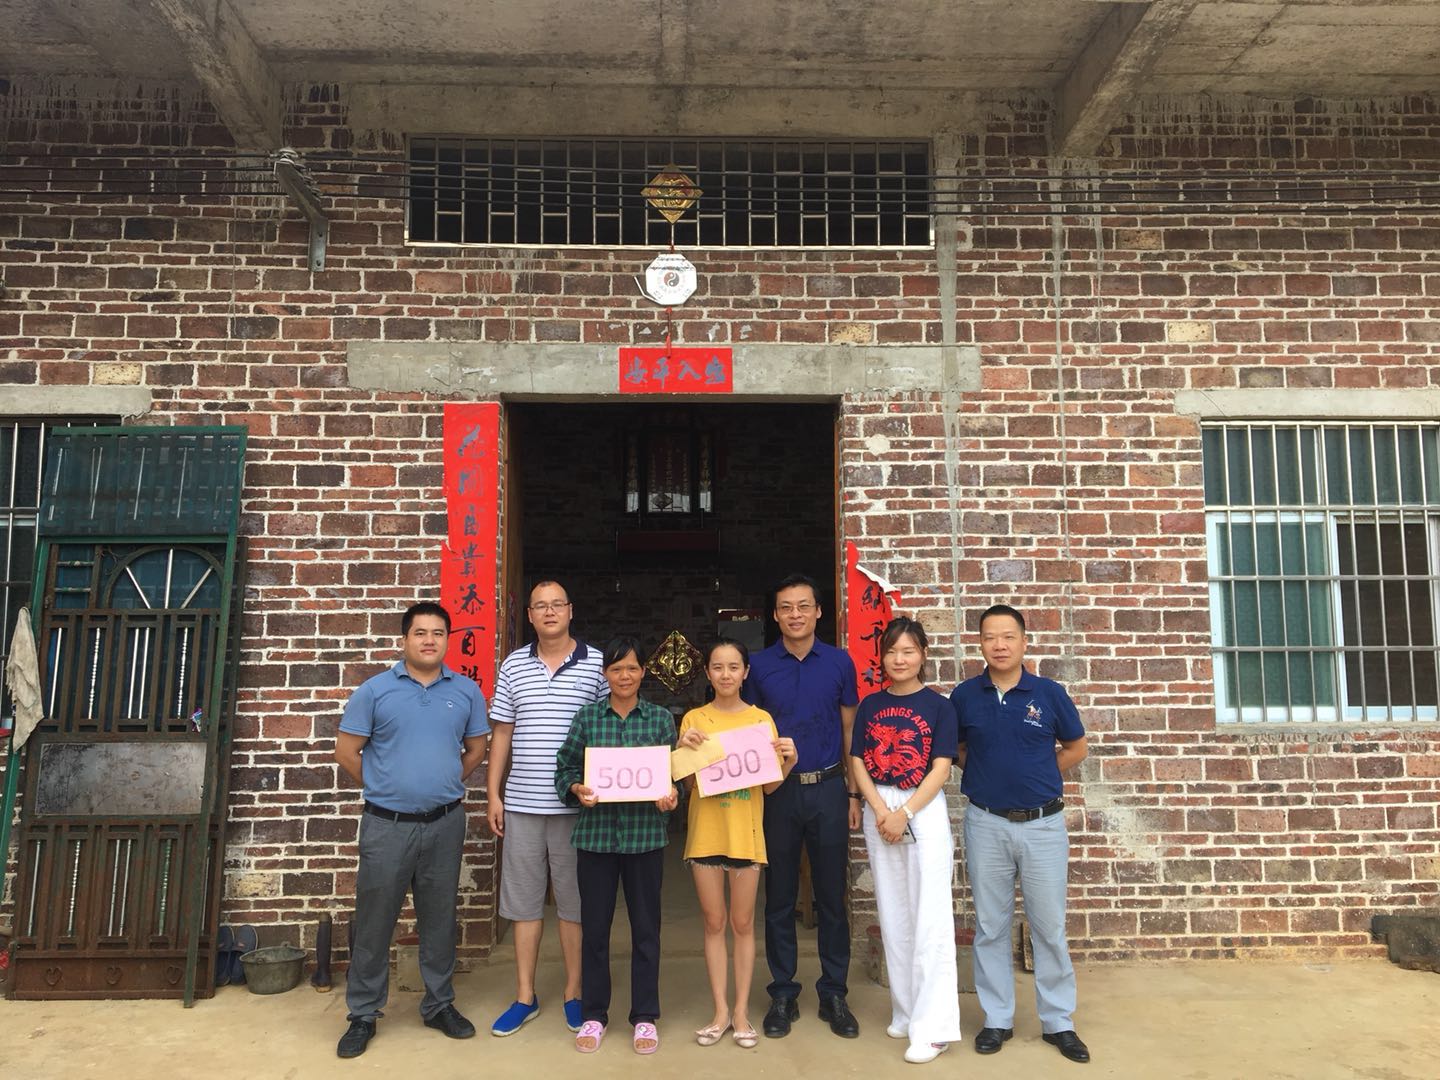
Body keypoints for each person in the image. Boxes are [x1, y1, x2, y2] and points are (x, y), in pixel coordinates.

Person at [333, 601, 490, 1059]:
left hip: (445, 823)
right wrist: (385, 788)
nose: (429, 640)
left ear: (447, 640)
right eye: (420, 632)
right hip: (388, 826)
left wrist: (443, 783)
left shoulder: (465, 692)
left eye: (438, 633)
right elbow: (346, 752)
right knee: (375, 920)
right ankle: (363, 1013)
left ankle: (439, 1004)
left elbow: (476, 749)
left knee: (440, 919)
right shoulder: (375, 691)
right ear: (404, 639)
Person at [950, 604, 1090, 1064]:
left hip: (1043, 825)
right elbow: (957, 749)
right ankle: (997, 1018)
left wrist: (1040, 774)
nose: (1000, 645)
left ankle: (1058, 1021)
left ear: (1024, 642)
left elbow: (1076, 747)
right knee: (990, 926)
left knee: (1048, 927)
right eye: (990, 637)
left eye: (1008, 636)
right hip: (986, 823)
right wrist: (986, 773)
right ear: (980, 643)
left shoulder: (1048, 693)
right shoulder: (965, 696)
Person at [741, 572, 862, 1039]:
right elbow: (746, 729)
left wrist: (853, 792)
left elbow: (849, 730)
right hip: (778, 793)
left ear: (818, 611)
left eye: (803, 606)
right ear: (775, 615)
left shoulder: (839, 662)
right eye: (786, 607)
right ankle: (783, 993)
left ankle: (834, 992)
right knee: (779, 896)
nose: (795, 614)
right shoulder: (758, 666)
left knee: (832, 896)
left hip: (829, 787)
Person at [486, 580, 606, 1036]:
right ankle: (525, 996)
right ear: (530, 616)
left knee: (575, 905)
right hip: (521, 804)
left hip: (577, 807)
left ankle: (575, 992)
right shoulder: (513, 665)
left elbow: (606, 731)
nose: (550, 612)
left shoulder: (596, 664)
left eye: (558, 604)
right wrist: (493, 794)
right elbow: (502, 733)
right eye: (541, 606)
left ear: (571, 611)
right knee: (524, 904)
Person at [553, 636, 677, 1055]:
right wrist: (576, 788)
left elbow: (673, 776)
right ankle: (594, 1013)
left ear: (643, 672)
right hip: (596, 839)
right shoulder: (588, 718)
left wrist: (671, 796)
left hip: (645, 838)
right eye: (616, 668)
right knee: (595, 930)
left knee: (646, 930)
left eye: (632, 668)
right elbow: (565, 767)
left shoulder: (659, 719)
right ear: (605, 674)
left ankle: (644, 1017)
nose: (625, 676)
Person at [849, 617, 962, 1065]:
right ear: (882, 656)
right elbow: (859, 759)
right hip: (881, 807)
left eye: (909, 651)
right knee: (893, 911)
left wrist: (905, 813)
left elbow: (941, 767)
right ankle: (906, 1009)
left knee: (930, 916)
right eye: (892, 651)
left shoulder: (939, 707)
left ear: (923, 655)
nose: (899, 659)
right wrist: (880, 809)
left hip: (921, 807)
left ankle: (934, 1029)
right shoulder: (871, 705)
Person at [679, 639, 798, 1049]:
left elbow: (770, 786)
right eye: (718, 667)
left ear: (746, 672)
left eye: (734, 667)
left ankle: (743, 1012)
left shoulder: (761, 720)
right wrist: (684, 750)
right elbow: (689, 783)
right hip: (706, 833)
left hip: (746, 834)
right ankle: (720, 1012)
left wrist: (790, 760)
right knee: (713, 923)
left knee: (743, 924)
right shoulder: (694, 720)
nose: (726, 674)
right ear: (707, 673)